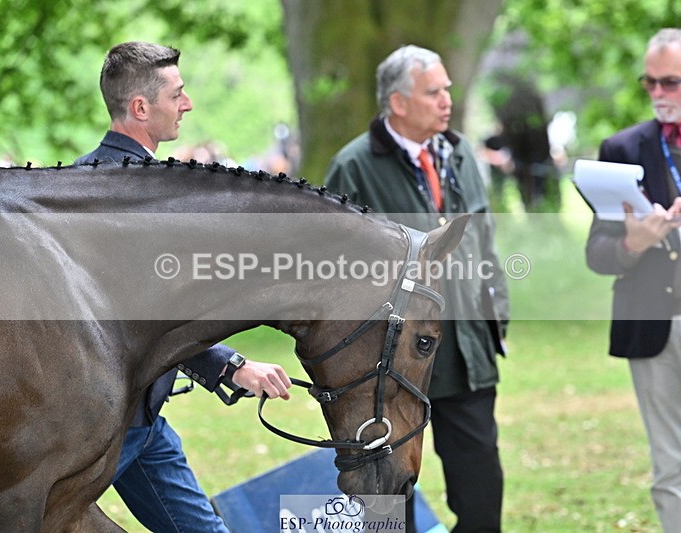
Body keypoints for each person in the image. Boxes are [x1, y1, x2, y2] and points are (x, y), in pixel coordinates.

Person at [76, 41, 293, 533]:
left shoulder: (96, 178)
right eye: (177, 94)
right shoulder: (119, 194)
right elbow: (148, 317)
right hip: (97, 425)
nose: (188, 103)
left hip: (144, 421)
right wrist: (232, 366)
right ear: (139, 108)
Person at [325, 45, 510, 533]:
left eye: (447, 88)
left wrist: (497, 315)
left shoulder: (460, 152)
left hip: (465, 352)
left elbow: (485, 240)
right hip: (393, 364)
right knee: (388, 498)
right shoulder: (353, 166)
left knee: (482, 496)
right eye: (434, 91)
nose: (447, 99)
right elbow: (339, 269)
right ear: (399, 102)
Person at [585, 28, 681, 533]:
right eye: (649, 82)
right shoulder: (621, 147)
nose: (657, 93)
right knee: (670, 463)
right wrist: (634, 242)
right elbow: (598, 253)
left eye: (669, 82)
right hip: (652, 321)